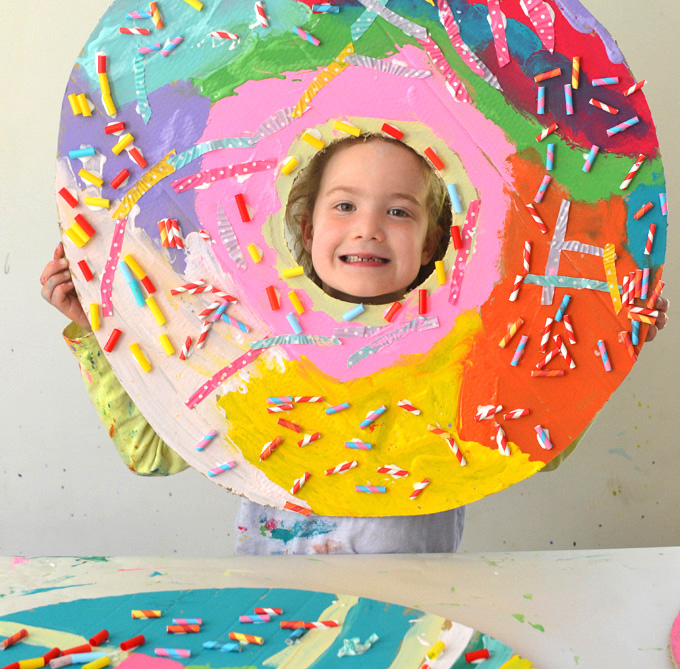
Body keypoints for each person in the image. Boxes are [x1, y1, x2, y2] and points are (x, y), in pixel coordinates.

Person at [42, 135, 669, 554]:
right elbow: (153, 452)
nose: (369, 226)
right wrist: (95, 332)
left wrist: (602, 338)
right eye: (345, 205)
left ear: (430, 244)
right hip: (271, 630)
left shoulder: (461, 353)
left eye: (400, 212)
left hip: (416, 632)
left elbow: (541, 445)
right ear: (307, 228)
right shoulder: (237, 341)